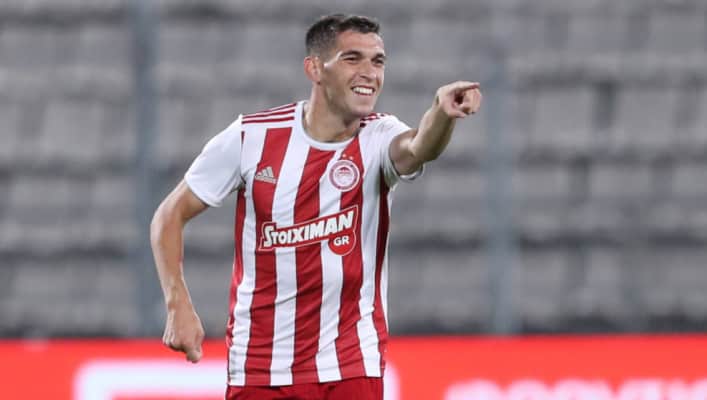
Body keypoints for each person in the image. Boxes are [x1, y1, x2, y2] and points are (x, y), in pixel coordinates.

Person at [150, 13, 481, 400]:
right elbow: (169, 216)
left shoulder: (379, 135)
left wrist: (442, 113)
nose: (369, 73)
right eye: (352, 58)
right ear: (315, 69)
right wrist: (177, 304)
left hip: (350, 364)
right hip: (261, 367)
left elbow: (419, 147)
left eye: (378, 61)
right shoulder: (251, 137)